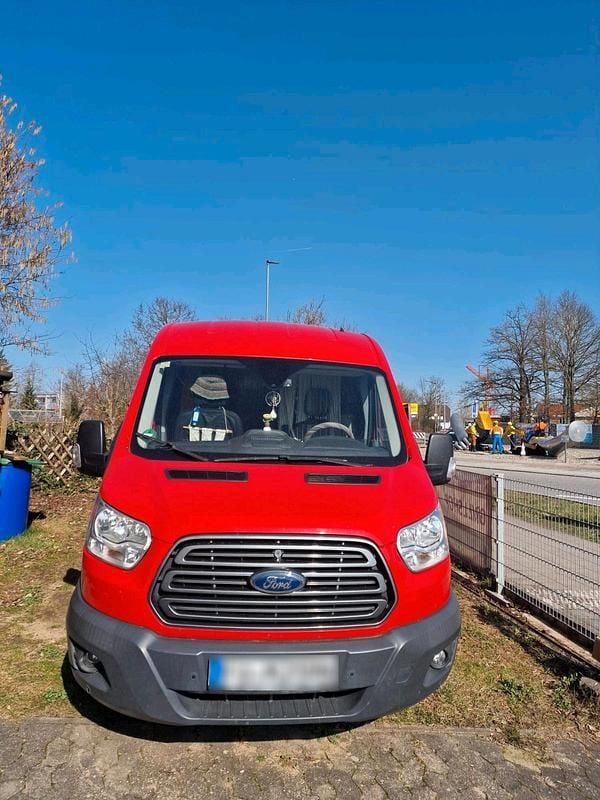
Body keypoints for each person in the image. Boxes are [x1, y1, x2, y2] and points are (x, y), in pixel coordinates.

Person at [178, 375, 243, 439]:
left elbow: (177, 443)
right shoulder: (232, 419)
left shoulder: (186, 418)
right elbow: (239, 445)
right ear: (223, 399)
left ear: (196, 396)